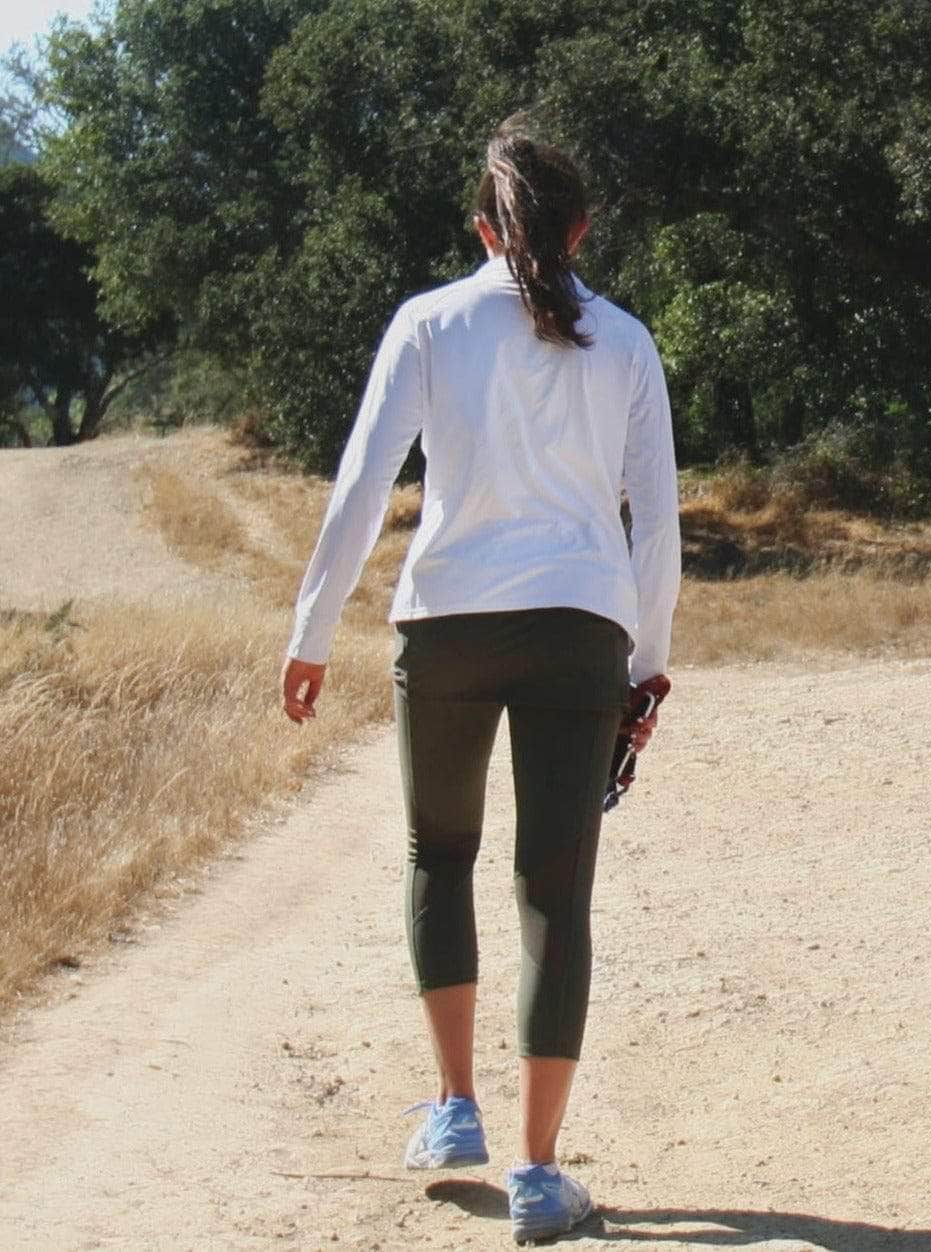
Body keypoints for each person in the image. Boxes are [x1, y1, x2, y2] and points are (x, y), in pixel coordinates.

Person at [281, 123, 681, 1244]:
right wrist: (644, 670)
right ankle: (540, 1173)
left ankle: (454, 1107)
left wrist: (310, 632)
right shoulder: (628, 344)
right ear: (580, 229)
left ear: (480, 227)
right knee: (552, 894)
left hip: (444, 624)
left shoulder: (427, 324)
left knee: (436, 855)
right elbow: (655, 527)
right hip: (578, 628)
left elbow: (362, 484)